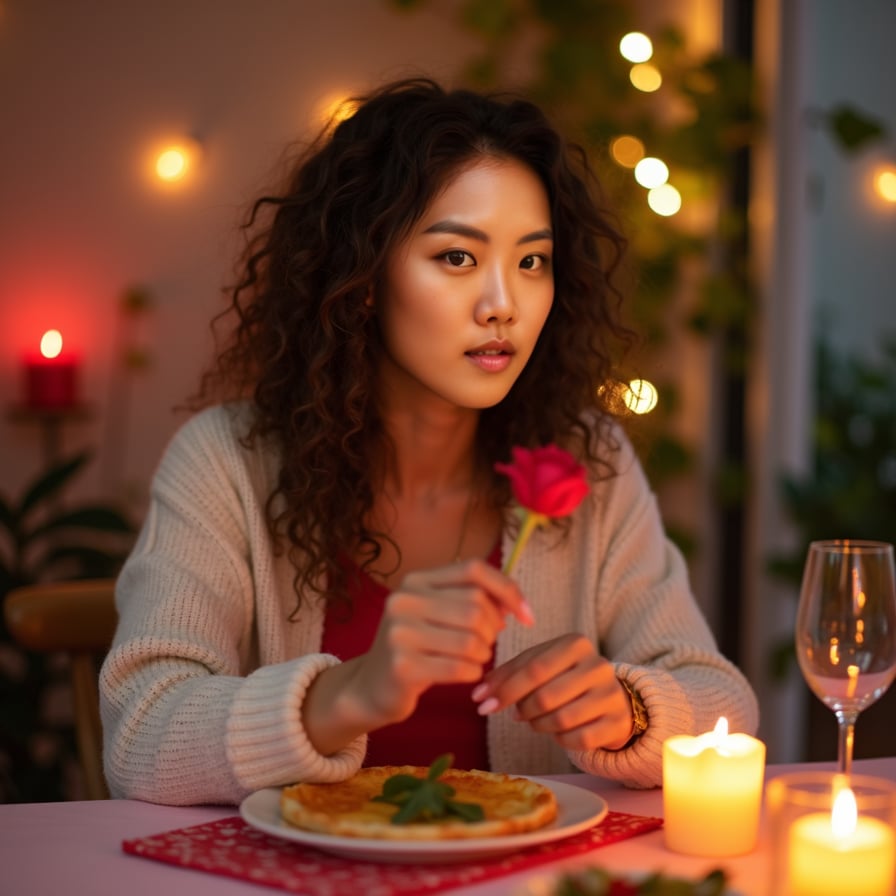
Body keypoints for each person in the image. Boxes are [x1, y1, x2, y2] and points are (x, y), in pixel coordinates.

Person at [99, 77, 759, 806]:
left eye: (532, 261)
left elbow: (722, 700)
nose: (502, 304)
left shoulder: (586, 462)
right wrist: (347, 694)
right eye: (457, 257)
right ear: (364, 276)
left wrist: (629, 711)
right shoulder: (226, 462)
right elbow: (139, 734)